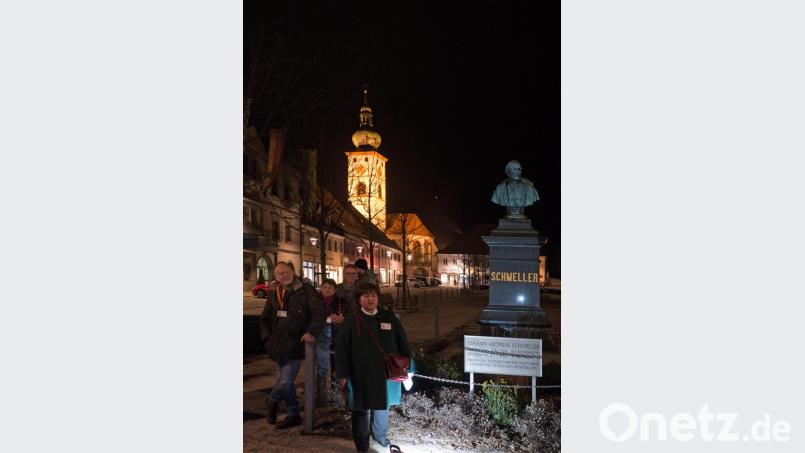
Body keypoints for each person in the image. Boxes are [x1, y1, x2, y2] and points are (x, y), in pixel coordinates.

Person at [335, 282, 412, 452]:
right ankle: (362, 445)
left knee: (382, 406)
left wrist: (410, 368)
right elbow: (341, 350)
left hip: (386, 372)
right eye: (366, 296)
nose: (371, 299)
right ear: (359, 299)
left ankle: (380, 437)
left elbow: (403, 342)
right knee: (360, 409)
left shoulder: (389, 317)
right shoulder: (351, 320)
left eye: (373, 295)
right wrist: (341, 374)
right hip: (359, 373)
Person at [260, 261, 326, 429]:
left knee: (285, 380)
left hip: (295, 342)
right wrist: (267, 337)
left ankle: (272, 400)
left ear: (293, 272)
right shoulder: (274, 291)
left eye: (287, 272)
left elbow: (319, 313)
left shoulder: (305, 290)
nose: (284, 276)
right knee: (285, 381)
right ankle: (293, 414)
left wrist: (311, 331)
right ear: (275, 276)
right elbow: (265, 317)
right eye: (280, 274)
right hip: (277, 343)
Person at [315, 278, 350, 405]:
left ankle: (336, 394)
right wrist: (325, 319)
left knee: (337, 366)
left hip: (337, 336)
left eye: (330, 288)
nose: (327, 289)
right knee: (322, 365)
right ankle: (322, 395)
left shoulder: (341, 301)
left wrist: (342, 318)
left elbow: (349, 316)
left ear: (335, 290)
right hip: (320, 337)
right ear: (321, 288)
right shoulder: (315, 301)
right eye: (325, 287)